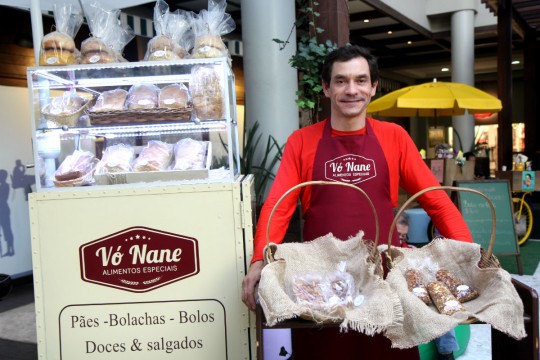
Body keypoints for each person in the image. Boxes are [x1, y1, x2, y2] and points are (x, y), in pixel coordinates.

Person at [241, 45, 473, 359]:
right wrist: (259, 260)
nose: (352, 90)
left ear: (373, 87)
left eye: (361, 80)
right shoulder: (302, 141)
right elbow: (278, 207)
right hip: (321, 283)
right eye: (341, 81)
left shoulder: (394, 137)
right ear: (326, 87)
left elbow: (436, 202)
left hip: (383, 278)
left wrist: (469, 254)